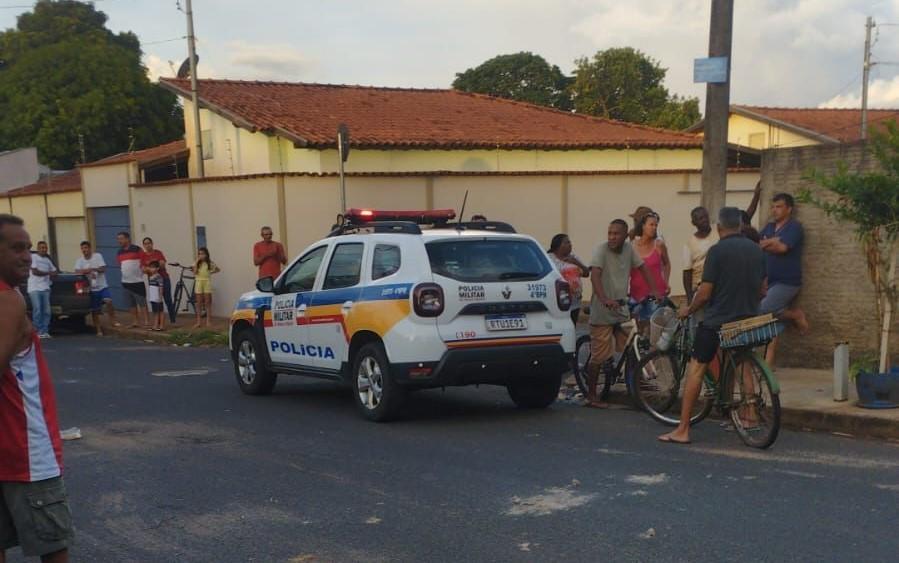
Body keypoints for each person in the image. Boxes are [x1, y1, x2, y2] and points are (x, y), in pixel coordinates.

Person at [0, 214, 74, 563]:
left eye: (28, 248)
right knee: (53, 547)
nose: (27, 256)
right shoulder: (9, 301)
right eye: (16, 248)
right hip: (27, 453)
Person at [659, 207, 766, 445]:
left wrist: (689, 309)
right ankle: (751, 415)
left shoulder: (717, 251)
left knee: (696, 370)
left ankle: (683, 429)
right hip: (748, 319)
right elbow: (762, 290)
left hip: (717, 321)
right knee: (744, 364)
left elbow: (705, 293)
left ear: (719, 228)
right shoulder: (757, 251)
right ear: (740, 226)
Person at [586, 219, 662, 408]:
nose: (611, 237)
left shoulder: (629, 249)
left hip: (621, 307)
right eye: (609, 233)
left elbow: (643, 267)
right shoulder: (601, 250)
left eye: (616, 234)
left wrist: (654, 290)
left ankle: (633, 383)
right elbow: (594, 274)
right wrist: (603, 298)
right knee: (599, 356)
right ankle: (591, 395)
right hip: (603, 310)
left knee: (632, 344)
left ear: (625, 234)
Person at [759, 192, 809, 366]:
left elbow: (782, 248)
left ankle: (794, 314)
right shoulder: (769, 227)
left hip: (788, 281)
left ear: (789, 209)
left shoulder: (794, 227)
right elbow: (759, 245)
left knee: (762, 311)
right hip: (770, 281)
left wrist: (769, 243)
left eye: (779, 206)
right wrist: (771, 241)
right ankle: (768, 364)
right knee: (772, 322)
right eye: (773, 207)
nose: (775, 210)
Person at [629, 212, 670, 324]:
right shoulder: (631, 246)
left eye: (656, 225)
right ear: (643, 226)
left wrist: (666, 282)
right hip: (636, 294)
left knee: (652, 329)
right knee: (636, 330)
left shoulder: (659, 245)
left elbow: (667, 264)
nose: (654, 228)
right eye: (651, 225)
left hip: (656, 295)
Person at [74, 240, 117, 336]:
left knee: (108, 301)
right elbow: (77, 271)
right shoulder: (80, 261)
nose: (84, 250)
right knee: (95, 310)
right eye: (82, 248)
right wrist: (85, 271)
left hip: (102, 286)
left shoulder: (98, 256)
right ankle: (98, 329)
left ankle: (113, 320)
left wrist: (93, 269)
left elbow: (103, 268)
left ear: (90, 248)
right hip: (91, 288)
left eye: (86, 248)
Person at [547, 233, 590, 324]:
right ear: (558, 245)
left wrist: (575, 262)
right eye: (567, 242)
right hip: (558, 302)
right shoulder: (549, 259)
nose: (570, 244)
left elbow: (586, 273)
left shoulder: (573, 257)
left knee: (572, 325)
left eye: (570, 242)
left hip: (575, 302)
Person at [682, 207, 718, 303]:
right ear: (694, 222)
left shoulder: (719, 232)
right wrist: (690, 298)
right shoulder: (689, 244)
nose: (705, 220)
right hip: (700, 288)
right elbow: (687, 272)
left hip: (719, 285)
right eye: (700, 218)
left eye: (706, 217)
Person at [140, 237, 176, 324]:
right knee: (155, 301)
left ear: (152, 244)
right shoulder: (143, 256)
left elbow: (162, 265)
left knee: (168, 299)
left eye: (149, 243)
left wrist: (151, 268)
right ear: (143, 245)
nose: (147, 245)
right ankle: (158, 322)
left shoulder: (158, 253)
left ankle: (173, 320)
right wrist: (152, 268)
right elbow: (143, 269)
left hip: (164, 278)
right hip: (152, 282)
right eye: (145, 244)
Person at [116, 232, 148, 328]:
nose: (119, 241)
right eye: (118, 239)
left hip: (137, 281)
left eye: (121, 239)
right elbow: (120, 264)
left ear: (127, 239)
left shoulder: (137, 249)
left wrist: (143, 269)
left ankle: (146, 321)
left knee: (142, 302)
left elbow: (144, 261)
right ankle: (135, 321)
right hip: (126, 282)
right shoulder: (119, 252)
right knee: (131, 304)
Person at [27, 241, 57, 339]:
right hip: (34, 287)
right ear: (38, 248)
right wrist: (49, 273)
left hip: (45, 288)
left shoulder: (47, 260)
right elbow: (35, 272)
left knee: (47, 311)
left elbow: (55, 270)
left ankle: (44, 331)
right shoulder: (33, 257)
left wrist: (53, 273)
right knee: (38, 310)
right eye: (41, 248)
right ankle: (36, 331)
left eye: (45, 248)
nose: (44, 249)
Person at [192, 246, 220, 328]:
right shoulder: (196, 263)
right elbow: (194, 272)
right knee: (199, 303)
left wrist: (210, 272)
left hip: (207, 282)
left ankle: (208, 321)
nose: (201, 255)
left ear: (206, 255)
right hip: (198, 282)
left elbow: (218, 269)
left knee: (208, 302)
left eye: (203, 254)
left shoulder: (210, 263)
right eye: (199, 254)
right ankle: (198, 322)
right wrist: (197, 262)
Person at [146, 261, 165, 331]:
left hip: (157, 297)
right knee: (155, 312)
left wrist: (160, 297)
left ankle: (161, 326)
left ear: (157, 268)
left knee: (160, 311)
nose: (151, 269)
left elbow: (161, 287)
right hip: (153, 297)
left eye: (153, 268)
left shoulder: (159, 277)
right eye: (150, 268)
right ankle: (155, 325)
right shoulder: (150, 277)